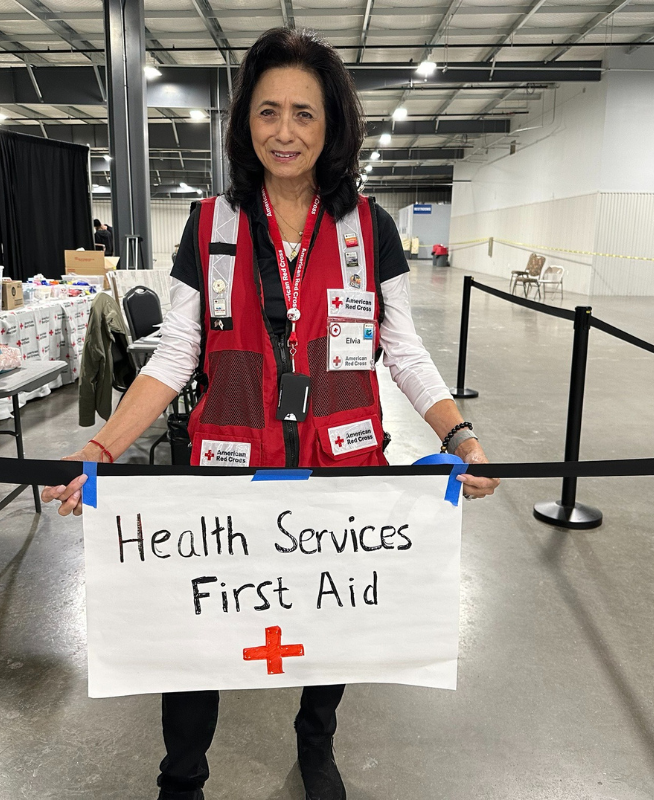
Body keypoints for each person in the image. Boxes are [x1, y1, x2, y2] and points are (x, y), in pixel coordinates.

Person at [44, 28, 499, 800]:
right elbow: (177, 353)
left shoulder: (370, 227)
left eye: (304, 114)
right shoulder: (209, 224)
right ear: (245, 123)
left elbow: (406, 352)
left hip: (339, 469)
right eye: (267, 113)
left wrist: (459, 434)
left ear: (333, 127)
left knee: (331, 622)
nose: (284, 132)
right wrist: (104, 446)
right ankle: (181, 776)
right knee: (198, 634)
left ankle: (315, 746)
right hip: (227, 476)